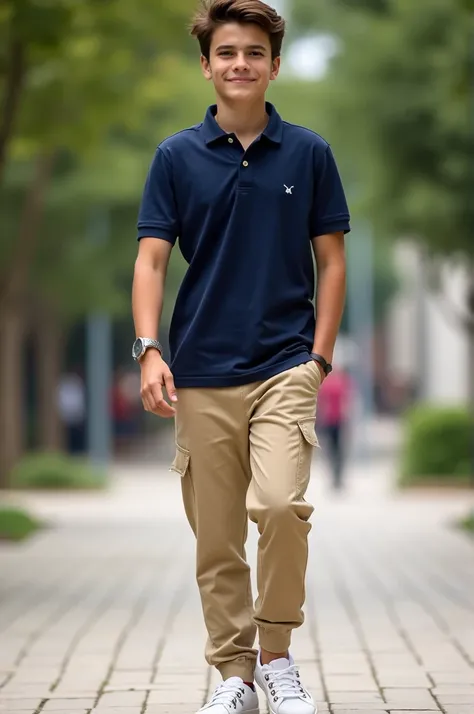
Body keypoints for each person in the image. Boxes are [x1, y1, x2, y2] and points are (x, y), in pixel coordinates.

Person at [131, 1, 350, 712]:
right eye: (227, 52)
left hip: (285, 363)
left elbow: (333, 261)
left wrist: (318, 358)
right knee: (218, 539)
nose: (240, 64)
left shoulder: (309, 153)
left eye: (254, 52)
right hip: (200, 371)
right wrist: (148, 350)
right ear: (207, 64)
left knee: (282, 507)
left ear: (274, 65)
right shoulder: (176, 157)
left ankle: (278, 656)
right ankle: (234, 676)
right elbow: (151, 260)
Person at [317, 366, 353, 491]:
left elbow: (346, 400)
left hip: (337, 420)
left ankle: (337, 477)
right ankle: (335, 476)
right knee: (334, 450)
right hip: (331, 420)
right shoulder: (335, 382)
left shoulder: (335, 382)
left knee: (337, 450)